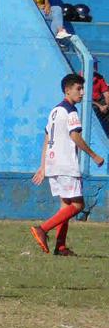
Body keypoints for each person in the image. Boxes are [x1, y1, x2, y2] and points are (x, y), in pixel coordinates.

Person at [30, 74, 105, 256]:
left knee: (66, 205)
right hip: (66, 164)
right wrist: (94, 155)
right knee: (78, 205)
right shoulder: (71, 111)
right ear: (67, 90)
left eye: (82, 89)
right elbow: (75, 136)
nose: (81, 93)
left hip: (54, 163)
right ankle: (42, 229)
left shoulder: (55, 111)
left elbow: (47, 137)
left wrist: (43, 165)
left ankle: (60, 246)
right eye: (78, 89)